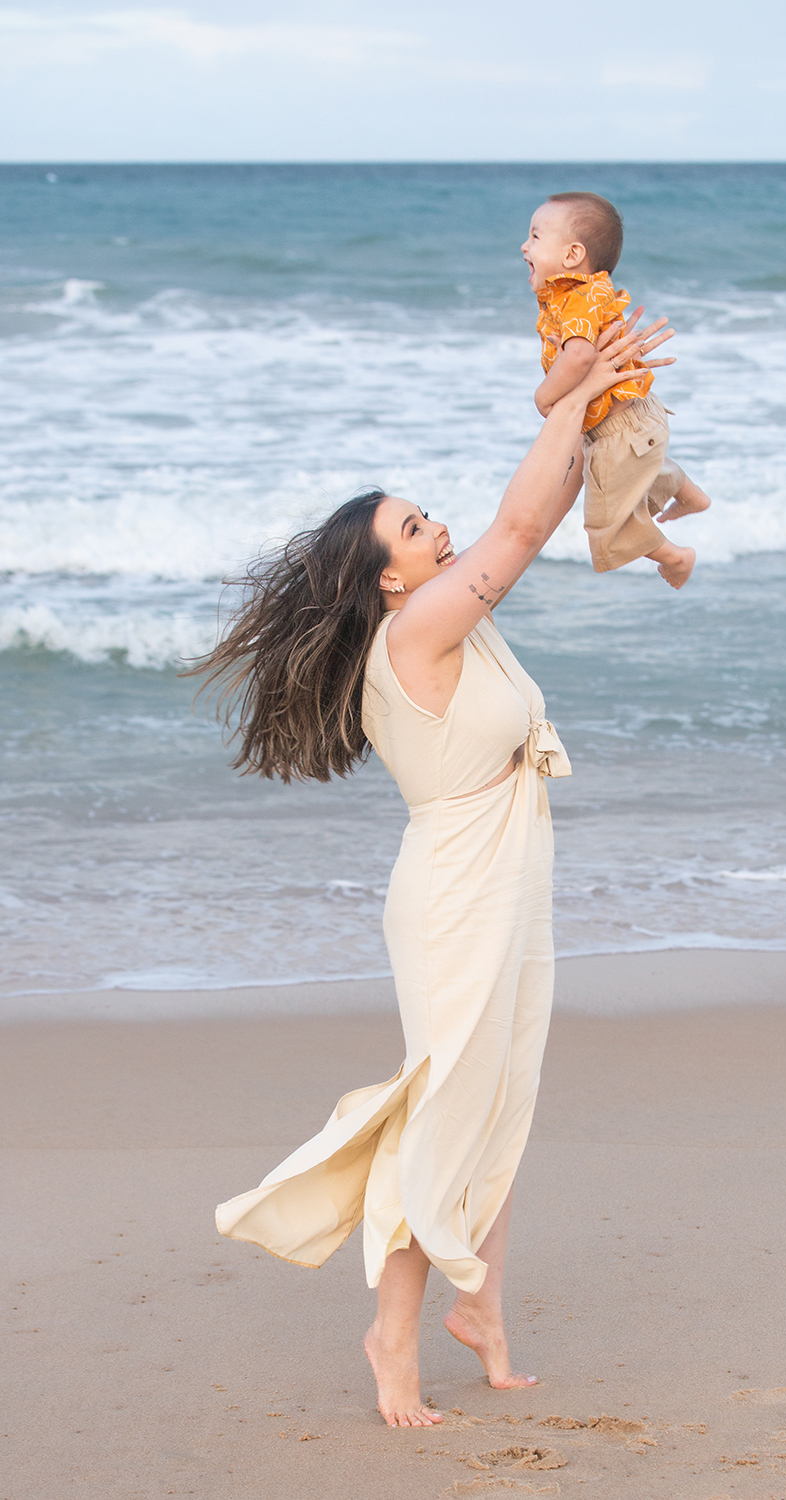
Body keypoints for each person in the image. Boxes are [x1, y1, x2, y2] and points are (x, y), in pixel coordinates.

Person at [197, 310, 672, 1429]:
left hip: (509, 878)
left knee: (499, 1107)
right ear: (387, 580)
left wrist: (588, 396)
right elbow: (521, 524)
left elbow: (547, 501)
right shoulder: (416, 636)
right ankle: (392, 1341)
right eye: (414, 528)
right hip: (458, 893)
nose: (437, 527)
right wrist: (568, 395)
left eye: (424, 514)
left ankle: (483, 1316)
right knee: (448, 1119)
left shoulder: (442, 616)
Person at [524, 190, 712, 589]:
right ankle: (686, 490)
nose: (525, 246)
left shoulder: (576, 298)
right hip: (636, 415)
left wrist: (544, 396)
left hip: (618, 429)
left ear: (573, 255)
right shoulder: (588, 291)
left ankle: (676, 556)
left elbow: (578, 357)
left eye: (535, 236)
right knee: (633, 465)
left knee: (609, 527)